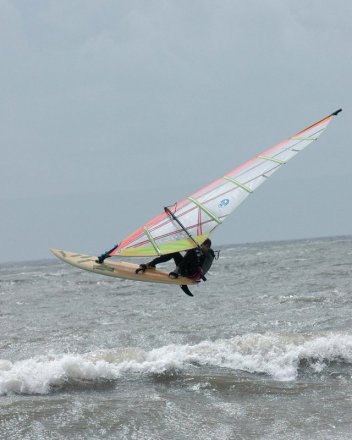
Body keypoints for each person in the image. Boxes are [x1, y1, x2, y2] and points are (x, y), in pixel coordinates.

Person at [135, 238, 215, 282]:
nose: (200, 246)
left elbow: (204, 252)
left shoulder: (209, 254)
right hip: (186, 270)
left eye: (202, 245)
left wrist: (195, 248)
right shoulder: (198, 252)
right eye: (200, 244)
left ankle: (176, 271)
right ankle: (151, 264)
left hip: (194, 274)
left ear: (207, 246)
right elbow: (190, 253)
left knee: (192, 251)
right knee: (175, 253)